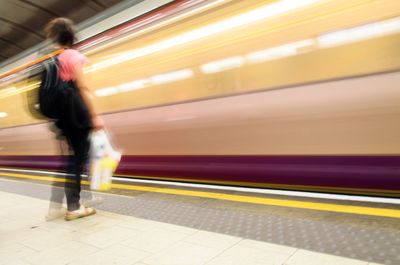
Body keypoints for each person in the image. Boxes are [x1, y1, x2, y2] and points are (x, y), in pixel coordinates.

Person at [44, 17, 104, 221]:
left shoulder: (54, 59)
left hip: (63, 118)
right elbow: (83, 87)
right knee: (77, 160)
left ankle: (56, 205)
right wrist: (95, 116)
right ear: (71, 36)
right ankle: (74, 206)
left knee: (69, 160)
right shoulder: (73, 56)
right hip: (77, 115)